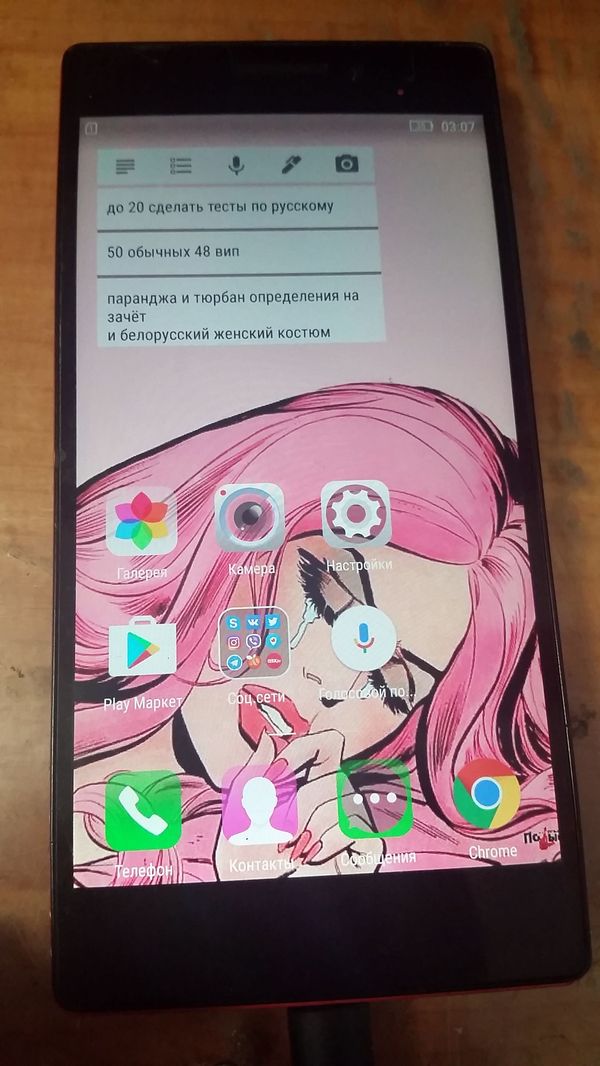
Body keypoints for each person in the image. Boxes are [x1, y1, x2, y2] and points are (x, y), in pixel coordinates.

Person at [73, 382, 557, 886]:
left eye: (392, 684)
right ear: (248, 534)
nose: (330, 686)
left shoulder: (317, 844)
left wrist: (258, 886)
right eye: (326, 599)